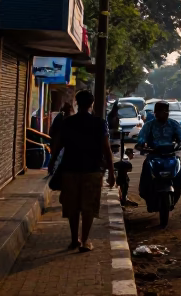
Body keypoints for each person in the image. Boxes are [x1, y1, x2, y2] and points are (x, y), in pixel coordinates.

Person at [52, 90, 115, 251]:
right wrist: (112, 172)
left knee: (72, 207)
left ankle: (74, 240)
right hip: (92, 170)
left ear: (77, 103)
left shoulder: (68, 122)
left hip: (70, 170)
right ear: (91, 104)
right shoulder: (99, 123)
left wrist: (52, 164)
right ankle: (85, 240)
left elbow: (58, 146)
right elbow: (106, 149)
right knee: (89, 208)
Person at [136, 101, 181, 210]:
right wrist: (141, 145)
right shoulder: (149, 125)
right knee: (146, 169)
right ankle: (146, 193)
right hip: (154, 156)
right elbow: (141, 139)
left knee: (178, 169)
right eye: (160, 111)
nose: (164, 114)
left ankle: (176, 192)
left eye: (166, 111)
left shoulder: (174, 124)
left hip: (170, 156)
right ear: (155, 113)